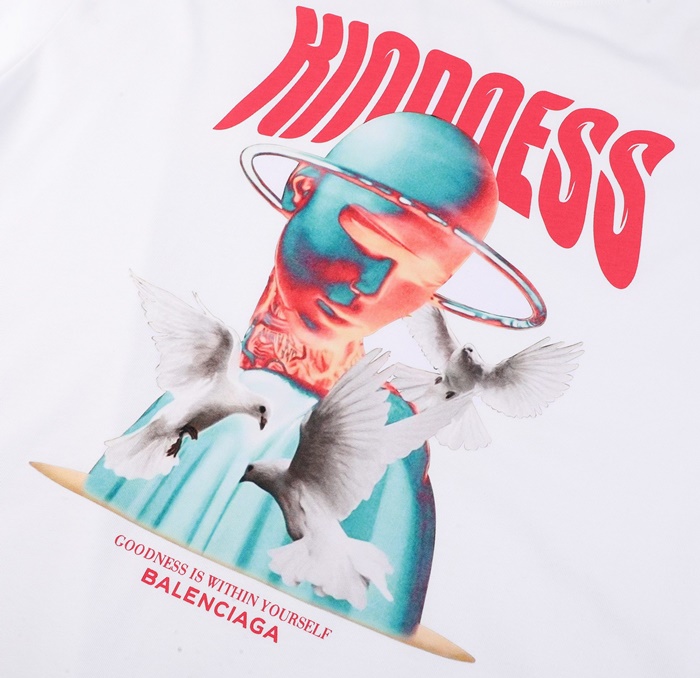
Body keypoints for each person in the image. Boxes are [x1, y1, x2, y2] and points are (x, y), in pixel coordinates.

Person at [86, 112, 542, 637]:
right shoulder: (210, 383)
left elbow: (374, 635)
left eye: (421, 281)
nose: (372, 287)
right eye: (367, 239)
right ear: (301, 189)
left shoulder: (390, 446)